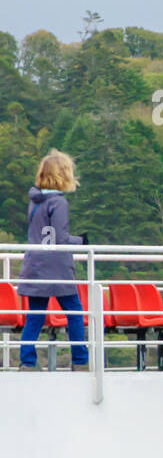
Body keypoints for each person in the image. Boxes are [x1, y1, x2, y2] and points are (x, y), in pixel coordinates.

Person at [18, 150, 89, 371]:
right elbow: (59, 238)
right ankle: (80, 360)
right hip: (57, 269)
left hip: (35, 266)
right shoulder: (58, 203)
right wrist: (82, 242)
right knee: (75, 313)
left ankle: (27, 361)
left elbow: (45, 234)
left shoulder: (35, 201)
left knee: (35, 316)